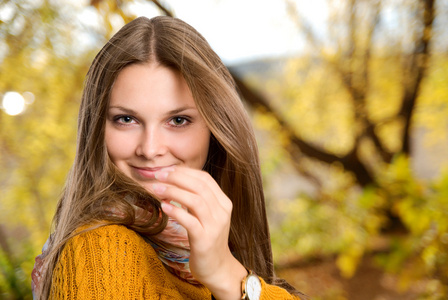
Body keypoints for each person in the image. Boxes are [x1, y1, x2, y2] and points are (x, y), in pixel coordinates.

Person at [31, 16, 306, 299]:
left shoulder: (202, 244)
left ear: (215, 127)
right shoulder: (101, 250)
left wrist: (225, 273)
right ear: (96, 128)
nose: (150, 150)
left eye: (177, 120)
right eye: (126, 119)